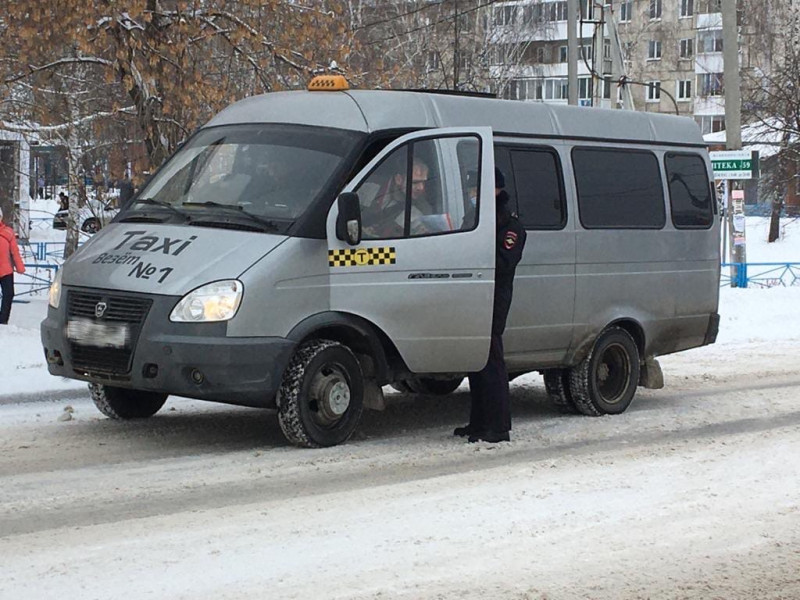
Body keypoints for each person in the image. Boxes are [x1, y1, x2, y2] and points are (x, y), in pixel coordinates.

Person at [455, 168, 526, 443]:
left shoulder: (510, 226)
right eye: (472, 192)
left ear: (497, 190)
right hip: (473, 297)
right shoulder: (476, 219)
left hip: (494, 298)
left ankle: (498, 427)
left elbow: (504, 262)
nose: (474, 196)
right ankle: (479, 422)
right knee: (476, 361)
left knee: (492, 363)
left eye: (479, 191)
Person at [363, 157, 434, 238]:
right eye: (415, 182)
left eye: (423, 182)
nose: (421, 188)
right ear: (398, 179)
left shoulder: (421, 213)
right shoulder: (369, 188)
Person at [0, 206, 26, 325]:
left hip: (6, 271)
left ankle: (3, 320)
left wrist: (20, 267)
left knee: (9, 294)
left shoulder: (8, 232)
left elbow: (14, 252)